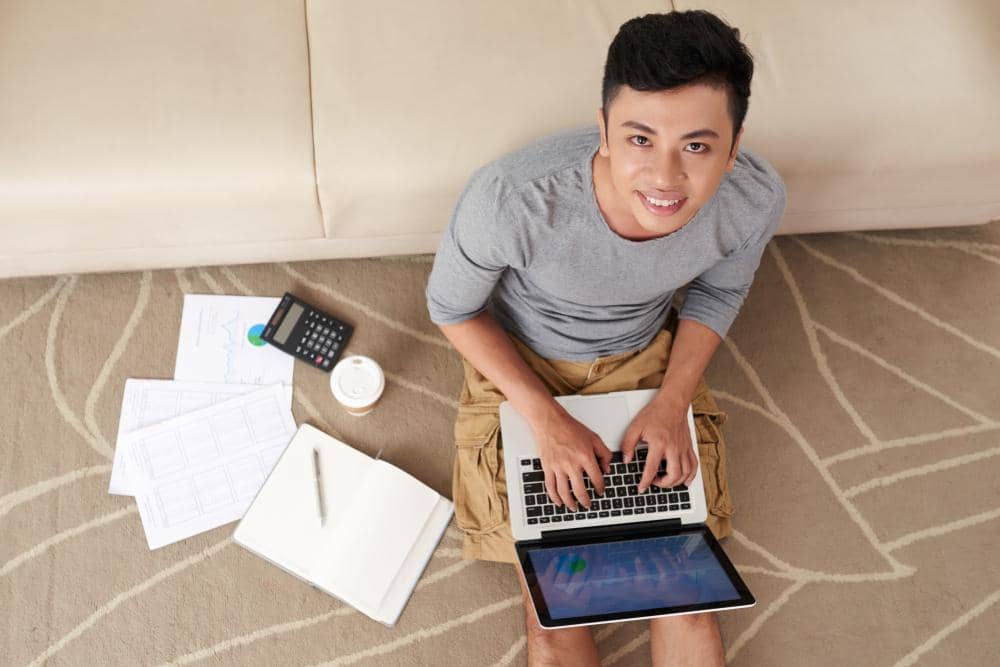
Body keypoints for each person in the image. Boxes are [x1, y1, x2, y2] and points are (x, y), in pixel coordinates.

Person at [426, 10, 785, 666]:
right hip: (523, 362)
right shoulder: (510, 199)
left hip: (647, 359)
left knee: (685, 596)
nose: (664, 178)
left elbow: (719, 291)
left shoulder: (754, 199)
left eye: (698, 146)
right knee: (558, 607)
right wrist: (545, 420)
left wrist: (672, 400)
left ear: (734, 148)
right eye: (640, 139)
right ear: (604, 130)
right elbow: (452, 308)